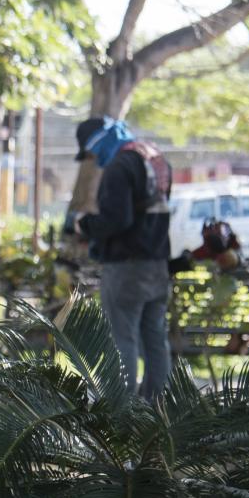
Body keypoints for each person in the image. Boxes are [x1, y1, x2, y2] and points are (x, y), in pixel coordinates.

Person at [71, 116, 173, 398]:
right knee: (154, 338)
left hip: (127, 268)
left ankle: (122, 412)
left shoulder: (119, 167)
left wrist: (83, 224)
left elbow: (117, 220)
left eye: (92, 153)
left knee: (122, 339)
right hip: (157, 264)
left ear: (100, 142)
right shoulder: (156, 159)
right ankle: (160, 409)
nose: (94, 160)